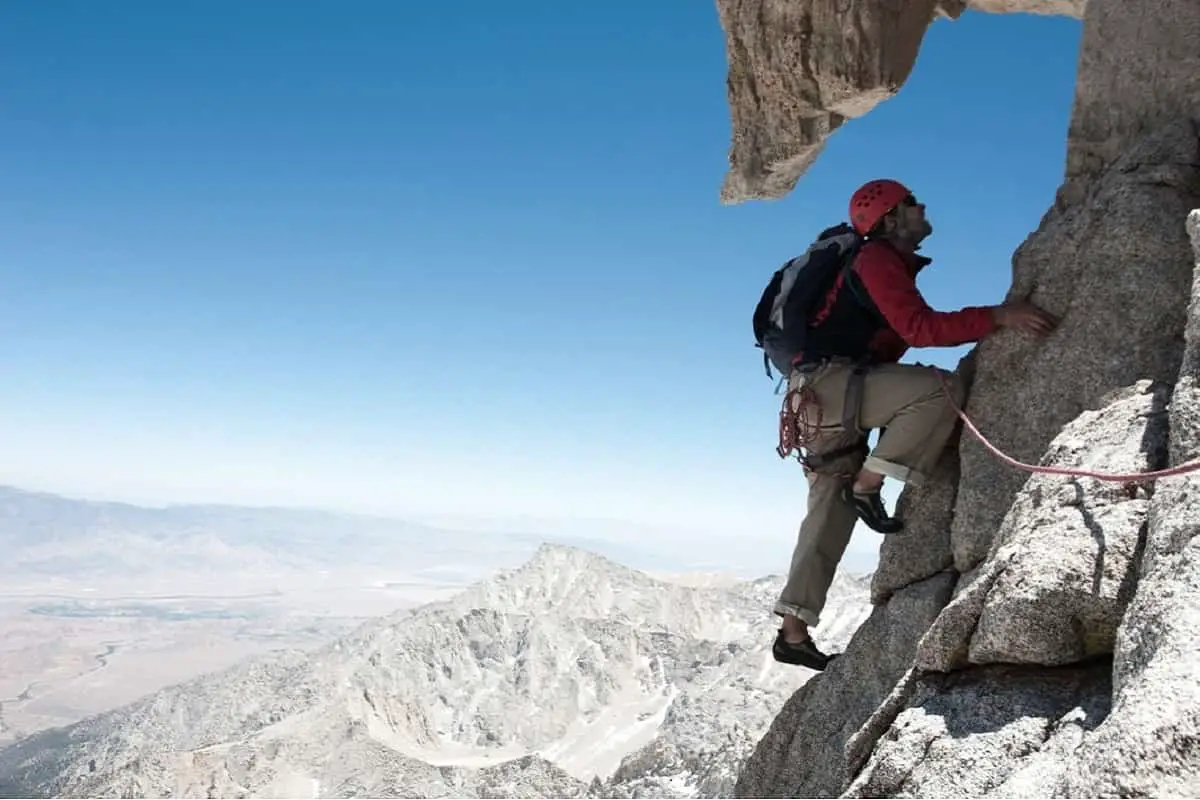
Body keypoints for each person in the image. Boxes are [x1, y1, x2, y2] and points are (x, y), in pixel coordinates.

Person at [772, 178, 1058, 670]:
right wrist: (998, 316)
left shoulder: (875, 263)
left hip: (817, 398)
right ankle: (868, 483)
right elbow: (920, 329)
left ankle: (792, 633)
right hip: (836, 387)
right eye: (911, 202)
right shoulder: (876, 259)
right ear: (889, 217)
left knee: (826, 514)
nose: (922, 207)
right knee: (937, 389)